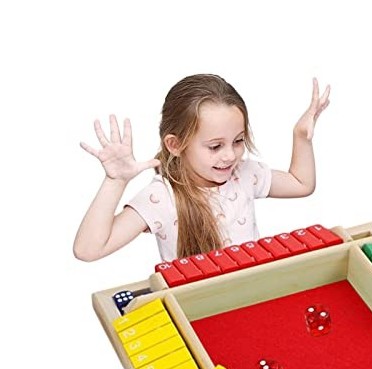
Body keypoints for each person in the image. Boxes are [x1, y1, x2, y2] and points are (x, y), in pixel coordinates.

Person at [73, 74, 330, 262]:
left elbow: (301, 184)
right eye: (215, 146)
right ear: (175, 145)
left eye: (238, 141)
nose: (230, 155)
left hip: (249, 295)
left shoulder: (244, 174)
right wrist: (116, 181)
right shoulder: (161, 197)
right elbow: (88, 250)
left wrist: (300, 137)